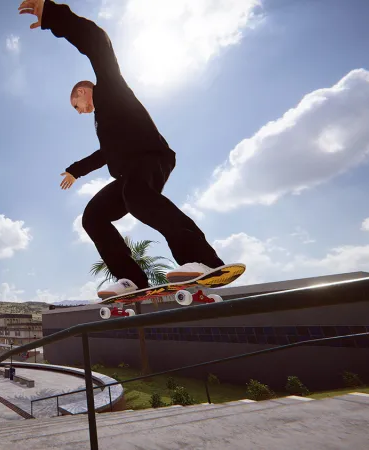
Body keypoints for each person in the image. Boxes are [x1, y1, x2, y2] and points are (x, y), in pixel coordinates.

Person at [19, 0, 232, 298]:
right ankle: (131, 279)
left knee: (137, 195)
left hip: (151, 157)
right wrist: (76, 171)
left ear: (82, 91)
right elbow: (104, 153)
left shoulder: (110, 87)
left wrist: (53, 15)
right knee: (93, 216)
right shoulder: (103, 121)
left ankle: (204, 260)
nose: (80, 112)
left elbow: (97, 42)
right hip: (129, 174)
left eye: (77, 105)